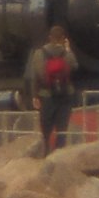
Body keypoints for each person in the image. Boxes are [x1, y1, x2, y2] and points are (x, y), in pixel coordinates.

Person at [23, 27, 75, 156]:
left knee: (46, 128)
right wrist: (68, 50)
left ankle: (45, 152)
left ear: (50, 37)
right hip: (65, 94)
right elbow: (75, 66)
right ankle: (59, 154)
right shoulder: (67, 54)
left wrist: (34, 96)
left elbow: (35, 76)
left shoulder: (39, 53)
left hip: (46, 95)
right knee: (62, 129)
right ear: (63, 38)